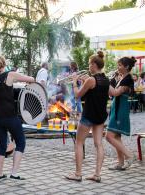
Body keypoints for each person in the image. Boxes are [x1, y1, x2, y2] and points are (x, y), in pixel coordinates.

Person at [0, 55, 34, 181]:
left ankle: (0, 175)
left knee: (1, 145)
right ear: (5, 64)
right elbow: (31, 79)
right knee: (21, 142)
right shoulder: (10, 75)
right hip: (10, 116)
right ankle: (14, 173)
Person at [65, 51, 110, 183]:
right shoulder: (106, 79)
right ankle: (97, 174)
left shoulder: (91, 79)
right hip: (100, 115)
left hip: (89, 114)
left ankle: (78, 174)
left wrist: (74, 82)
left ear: (94, 65)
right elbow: (98, 91)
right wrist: (85, 82)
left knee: (79, 143)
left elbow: (78, 95)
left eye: (90, 64)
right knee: (98, 144)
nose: (89, 66)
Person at [106, 57, 136, 171]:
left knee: (109, 137)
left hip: (120, 111)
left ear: (127, 67)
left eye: (119, 65)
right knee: (116, 137)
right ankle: (120, 163)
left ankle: (130, 156)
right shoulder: (123, 78)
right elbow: (112, 93)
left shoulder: (128, 79)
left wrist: (106, 81)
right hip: (117, 109)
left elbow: (115, 92)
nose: (117, 67)